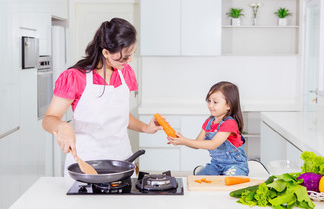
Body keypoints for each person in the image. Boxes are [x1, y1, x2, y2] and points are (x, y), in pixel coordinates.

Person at [42, 18, 162, 177]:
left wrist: (145, 128)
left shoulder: (125, 72)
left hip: (122, 162)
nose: (129, 61)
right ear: (105, 52)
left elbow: (118, 115)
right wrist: (62, 126)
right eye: (125, 57)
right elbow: (49, 119)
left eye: (131, 55)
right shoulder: (75, 77)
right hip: (85, 164)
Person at [168, 81, 249, 176]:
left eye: (215, 102)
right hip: (216, 165)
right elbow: (197, 144)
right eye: (209, 101)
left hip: (235, 165)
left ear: (228, 105)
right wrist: (181, 140)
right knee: (199, 178)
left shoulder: (229, 123)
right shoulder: (208, 123)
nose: (210, 105)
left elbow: (213, 144)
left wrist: (185, 141)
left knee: (228, 181)